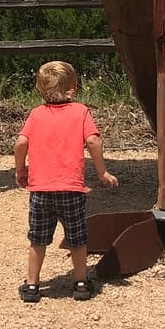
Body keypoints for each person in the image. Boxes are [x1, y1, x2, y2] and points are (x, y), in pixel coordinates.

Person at [14, 60, 118, 302]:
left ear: (41, 90)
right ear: (74, 87)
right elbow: (92, 141)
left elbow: (21, 142)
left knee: (37, 239)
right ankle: (80, 283)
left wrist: (20, 169)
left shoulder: (36, 114)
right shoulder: (81, 112)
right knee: (77, 239)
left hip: (41, 191)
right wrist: (102, 172)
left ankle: (32, 286)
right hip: (71, 190)